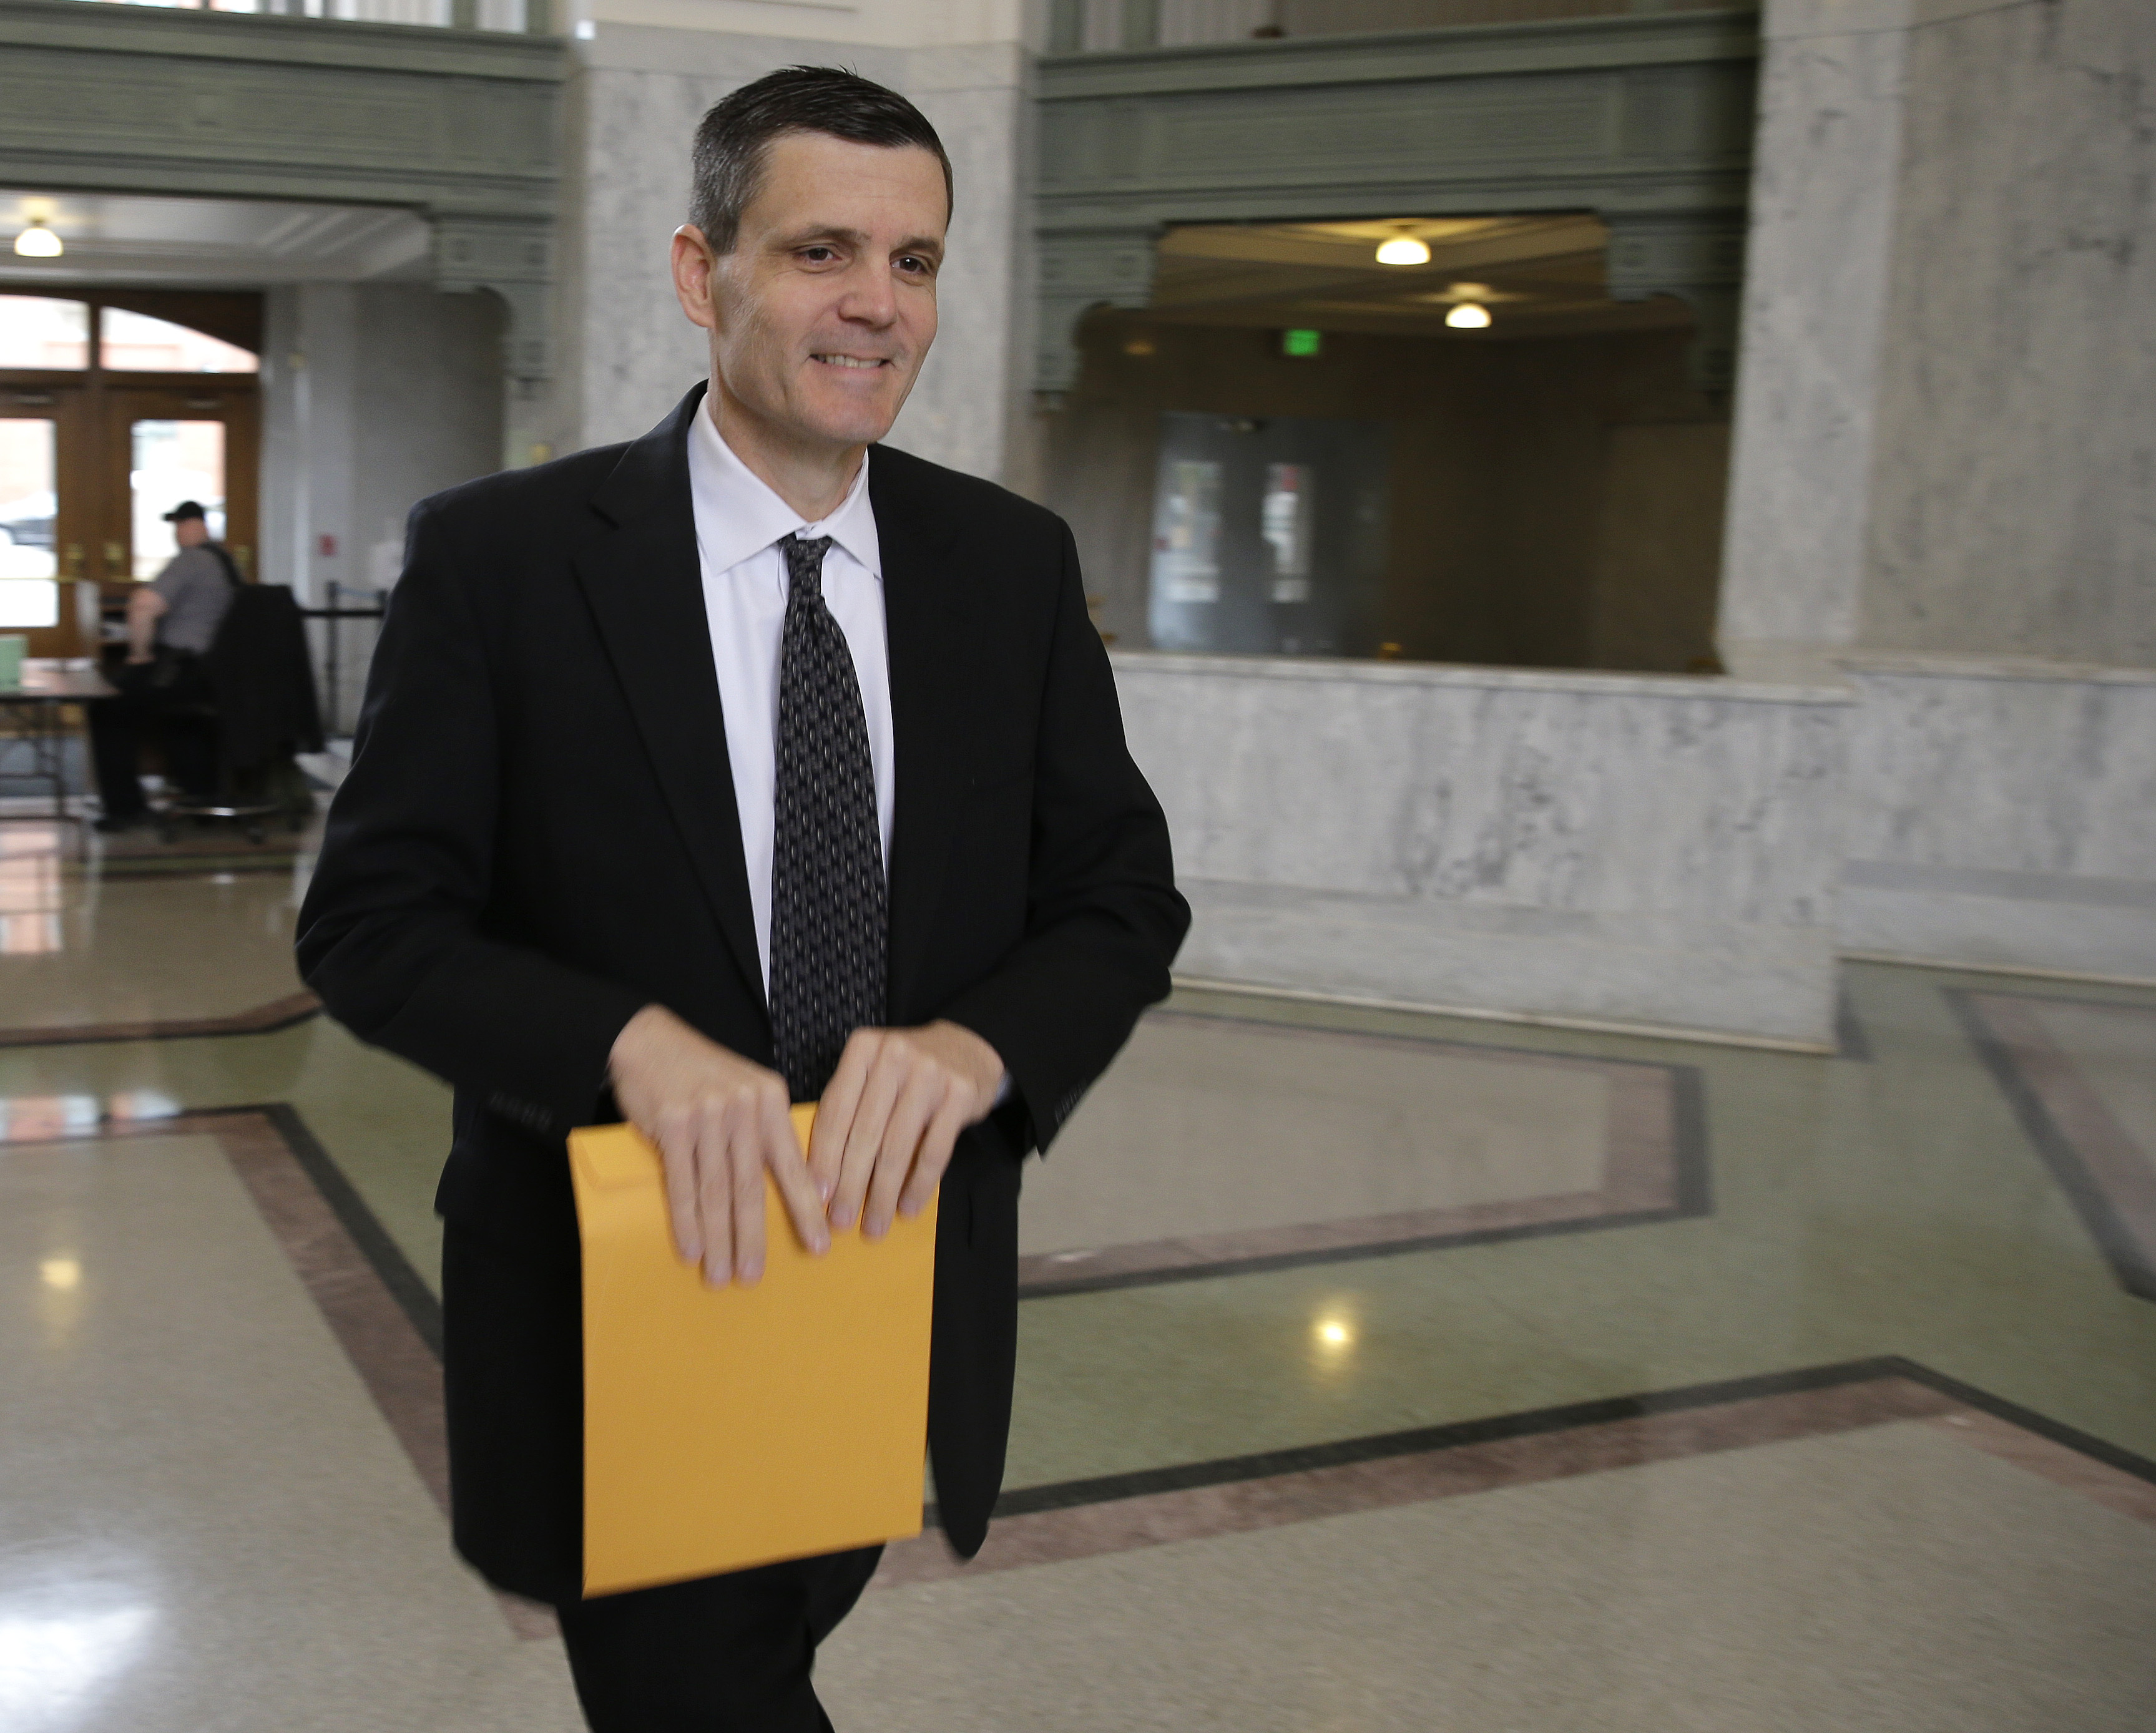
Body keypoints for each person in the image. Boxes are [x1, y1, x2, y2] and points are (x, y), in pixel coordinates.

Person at [295, 66, 1188, 1732]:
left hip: (881, 1271)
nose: (875, 303)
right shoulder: (503, 556)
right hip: (620, 1284)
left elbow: (1117, 899)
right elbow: (370, 926)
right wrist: (622, 1044)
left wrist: (977, 1049)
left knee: (771, 1637)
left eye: (912, 262)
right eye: (821, 251)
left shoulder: (1002, 566)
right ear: (704, 272)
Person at [88, 499, 242, 832]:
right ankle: (200, 793)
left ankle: (125, 808)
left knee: (107, 705)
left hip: (184, 668)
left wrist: (139, 655)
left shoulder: (193, 559)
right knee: (181, 718)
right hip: (219, 675)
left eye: (178, 525)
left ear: (191, 525)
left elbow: (143, 607)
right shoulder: (228, 564)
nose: (176, 533)